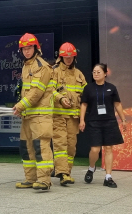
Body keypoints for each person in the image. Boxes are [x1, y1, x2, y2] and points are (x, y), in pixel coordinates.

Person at [12, 33, 55, 191]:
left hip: (40, 114)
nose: (26, 51)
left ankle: (44, 180)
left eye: (29, 48)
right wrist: (21, 107)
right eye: (24, 48)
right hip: (28, 114)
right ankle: (30, 179)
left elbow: (37, 92)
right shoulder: (26, 66)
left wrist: (21, 105)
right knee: (26, 147)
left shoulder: (42, 66)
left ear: (36, 48)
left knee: (41, 146)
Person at [79, 63, 126, 188]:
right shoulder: (88, 88)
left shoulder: (111, 87)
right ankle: (91, 167)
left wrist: (123, 119)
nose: (96, 74)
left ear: (105, 73)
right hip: (94, 121)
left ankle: (108, 177)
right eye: (94, 72)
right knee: (95, 149)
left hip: (109, 121)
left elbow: (117, 104)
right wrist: (81, 120)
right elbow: (84, 105)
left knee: (109, 148)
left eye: (98, 72)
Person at [51, 42, 87, 186]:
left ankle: (66, 171)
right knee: (60, 144)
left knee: (71, 146)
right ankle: (63, 173)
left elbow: (86, 96)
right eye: (66, 57)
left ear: (74, 57)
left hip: (73, 117)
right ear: (60, 57)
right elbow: (50, 90)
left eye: (71, 57)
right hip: (58, 116)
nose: (68, 59)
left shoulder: (79, 74)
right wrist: (60, 98)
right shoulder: (54, 71)